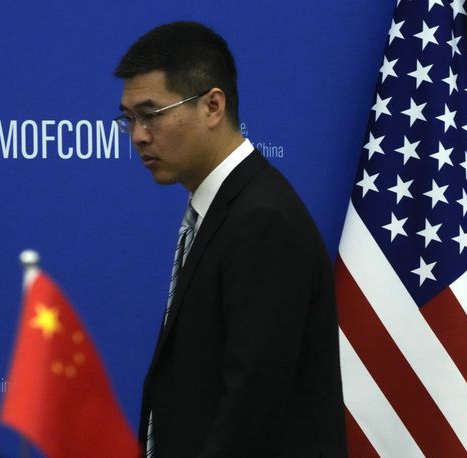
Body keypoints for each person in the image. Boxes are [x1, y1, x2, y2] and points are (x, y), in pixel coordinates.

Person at [114, 21, 347, 457]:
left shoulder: (261, 221)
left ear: (213, 106)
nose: (138, 135)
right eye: (128, 119)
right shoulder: (225, 209)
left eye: (151, 114)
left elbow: (252, 406)